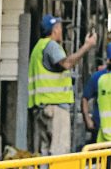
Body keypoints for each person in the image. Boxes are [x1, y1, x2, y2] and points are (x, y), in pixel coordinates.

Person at [28, 15, 97, 155]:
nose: (61, 31)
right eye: (60, 28)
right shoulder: (51, 46)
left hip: (41, 107)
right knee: (59, 151)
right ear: (54, 30)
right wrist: (87, 46)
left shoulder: (38, 48)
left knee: (45, 152)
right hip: (55, 107)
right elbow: (66, 63)